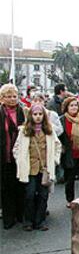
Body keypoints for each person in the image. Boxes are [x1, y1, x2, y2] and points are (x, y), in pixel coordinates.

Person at [13, 104, 61, 231]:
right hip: (29, 168)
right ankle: (28, 220)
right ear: (31, 116)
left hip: (45, 168)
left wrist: (55, 160)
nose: (38, 117)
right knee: (29, 194)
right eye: (35, 114)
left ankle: (40, 221)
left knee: (43, 195)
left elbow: (57, 146)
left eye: (40, 114)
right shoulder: (24, 131)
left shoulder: (49, 130)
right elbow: (16, 148)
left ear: (44, 116)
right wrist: (20, 161)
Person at [0, 84, 26, 229]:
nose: (12, 99)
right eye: (8, 96)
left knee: (21, 185)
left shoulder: (23, 111)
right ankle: (8, 217)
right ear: (2, 98)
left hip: (20, 155)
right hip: (4, 156)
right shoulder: (0, 113)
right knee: (6, 187)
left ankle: (20, 214)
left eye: (14, 96)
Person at [59, 97, 79, 207]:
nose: (74, 107)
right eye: (71, 105)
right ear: (66, 107)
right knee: (70, 179)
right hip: (69, 154)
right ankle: (70, 200)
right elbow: (59, 138)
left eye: (76, 105)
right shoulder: (61, 120)